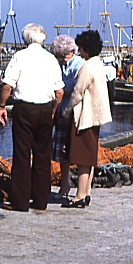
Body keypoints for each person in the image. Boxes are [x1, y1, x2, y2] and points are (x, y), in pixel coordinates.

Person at [0, 23, 64, 212]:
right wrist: (52, 110)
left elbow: (7, 86)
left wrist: (2, 106)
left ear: (26, 39)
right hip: (44, 109)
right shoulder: (51, 59)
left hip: (24, 109)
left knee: (21, 155)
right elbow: (59, 92)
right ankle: (41, 201)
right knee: (43, 156)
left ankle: (20, 202)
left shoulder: (19, 57)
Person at [61, 30, 112, 208]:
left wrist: (66, 111)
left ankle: (80, 196)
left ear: (85, 48)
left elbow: (77, 93)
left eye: (80, 47)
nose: (79, 51)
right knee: (89, 157)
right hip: (95, 116)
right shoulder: (98, 64)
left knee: (82, 158)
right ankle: (86, 192)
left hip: (85, 117)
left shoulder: (87, 67)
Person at [49, 35, 84, 198]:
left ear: (72, 51)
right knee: (62, 151)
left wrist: (58, 86)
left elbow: (74, 87)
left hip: (74, 113)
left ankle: (82, 189)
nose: (62, 59)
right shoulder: (58, 65)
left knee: (76, 151)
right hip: (61, 112)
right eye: (59, 56)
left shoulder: (79, 65)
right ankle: (64, 185)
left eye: (64, 56)